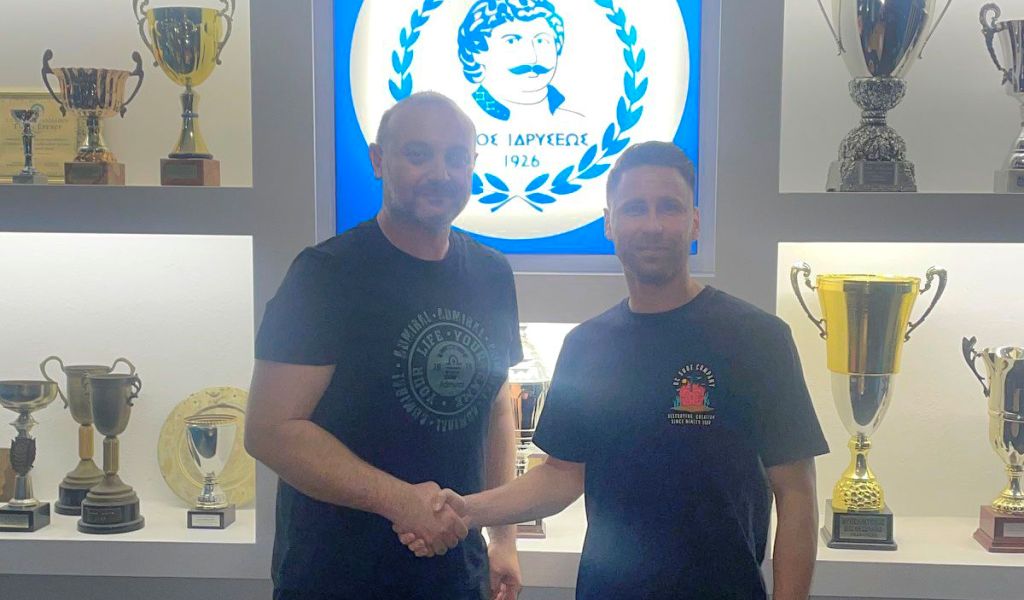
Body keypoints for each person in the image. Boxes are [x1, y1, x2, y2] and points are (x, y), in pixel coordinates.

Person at [400, 141, 830, 599]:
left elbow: (797, 493)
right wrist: (465, 510)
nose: (652, 225)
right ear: (610, 223)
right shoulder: (586, 346)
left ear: (694, 222)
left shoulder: (758, 338)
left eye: (669, 207)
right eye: (634, 209)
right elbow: (561, 476)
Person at [245, 91, 524, 600]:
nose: (440, 173)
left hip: (455, 576)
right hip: (334, 578)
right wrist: (400, 501)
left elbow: (496, 411)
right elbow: (270, 430)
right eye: (418, 154)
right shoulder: (324, 275)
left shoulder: (492, 274)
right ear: (378, 160)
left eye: (456, 157)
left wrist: (502, 537)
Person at [458, 0, 583, 122]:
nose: (532, 58)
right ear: (477, 51)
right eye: (512, 41)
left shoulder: (578, 121)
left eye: (541, 41)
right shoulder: (458, 120)